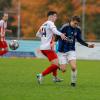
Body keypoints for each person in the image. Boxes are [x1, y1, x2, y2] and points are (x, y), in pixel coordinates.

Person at [56, 16, 94, 87]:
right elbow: (57, 35)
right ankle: (59, 65)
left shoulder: (77, 29)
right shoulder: (65, 27)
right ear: (72, 20)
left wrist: (88, 45)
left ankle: (73, 83)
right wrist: (54, 41)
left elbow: (79, 40)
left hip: (71, 50)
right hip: (62, 51)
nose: (76, 25)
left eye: (77, 24)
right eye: (75, 23)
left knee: (73, 67)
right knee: (63, 70)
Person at [36, 11, 67, 84]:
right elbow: (54, 30)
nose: (56, 18)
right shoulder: (50, 23)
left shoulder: (43, 24)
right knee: (56, 64)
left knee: (54, 63)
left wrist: (45, 38)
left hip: (43, 48)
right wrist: (61, 34)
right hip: (48, 48)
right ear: (51, 16)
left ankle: (55, 77)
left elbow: (37, 34)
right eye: (55, 16)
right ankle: (41, 75)